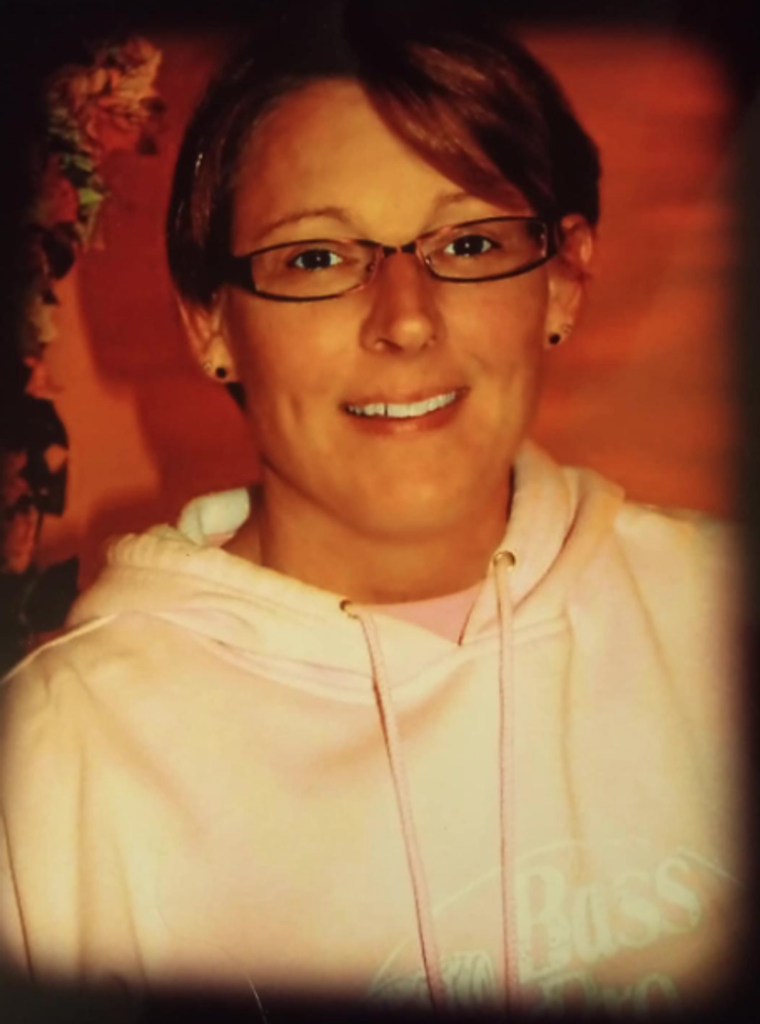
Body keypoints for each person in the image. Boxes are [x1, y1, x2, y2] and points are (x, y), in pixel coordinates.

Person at [0, 0, 745, 1016]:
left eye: (469, 244)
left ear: (564, 280)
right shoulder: (64, 759)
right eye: (316, 257)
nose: (405, 320)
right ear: (212, 324)